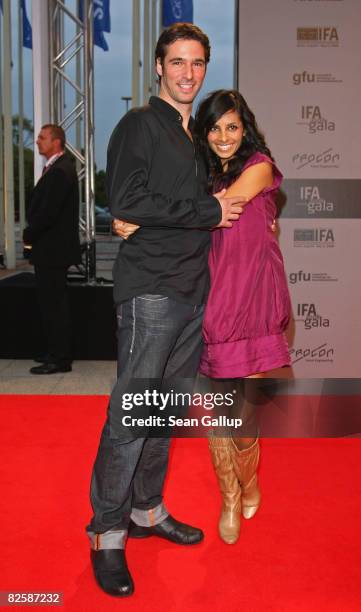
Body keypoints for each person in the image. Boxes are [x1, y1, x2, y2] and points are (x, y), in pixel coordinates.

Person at [87, 25, 246, 598]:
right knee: (131, 416)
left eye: (197, 63)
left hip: (192, 295)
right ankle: (107, 530)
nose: (188, 72)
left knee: (161, 416)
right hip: (151, 291)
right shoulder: (140, 125)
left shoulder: (196, 137)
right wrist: (205, 210)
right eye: (176, 61)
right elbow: (126, 199)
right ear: (158, 67)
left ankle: (147, 510)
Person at [194, 89, 291, 544]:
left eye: (232, 126)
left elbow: (221, 210)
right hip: (210, 300)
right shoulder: (199, 174)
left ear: (245, 128)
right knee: (219, 409)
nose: (224, 136)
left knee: (243, 410)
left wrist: (153, 219)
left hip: (249, 300)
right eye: (214, 128)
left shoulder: (259, 168)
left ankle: (250, 482)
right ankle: (230, 496)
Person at [23, 124, 81, 375]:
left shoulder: (60, 171)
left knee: (54, 306)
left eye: (42, 137)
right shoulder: (58, 169)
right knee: (51, 305)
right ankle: (55, 352)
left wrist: (29, 235)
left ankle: (59, 358)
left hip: (52, 251)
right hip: (51, 250)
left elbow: (47, 213)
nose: (37, 141)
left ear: (56, 142)